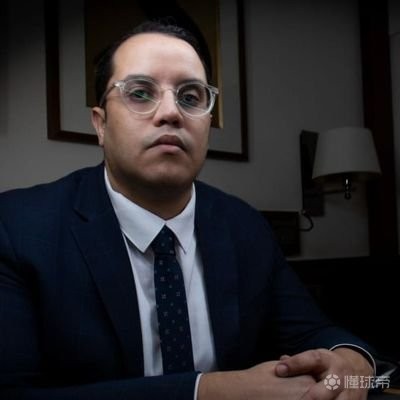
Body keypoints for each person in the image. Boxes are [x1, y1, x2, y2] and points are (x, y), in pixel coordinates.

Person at [0, 20, 376, 400]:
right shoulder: (19, 228)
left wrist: (355, 360)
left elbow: (312, 332)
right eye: (140, 93)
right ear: (100, 124)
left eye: (191, 97)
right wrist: (209, 391)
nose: (171, 113)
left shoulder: (244, 225)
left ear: (208, 123)